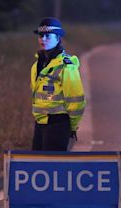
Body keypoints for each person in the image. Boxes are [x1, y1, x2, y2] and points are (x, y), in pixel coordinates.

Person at [30, 17, 86, 151]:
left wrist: (72, 126)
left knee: (52, 167)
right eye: (41, 35)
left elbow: (76, 100)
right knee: (36, 166)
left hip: (58, 125)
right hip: (40, 124)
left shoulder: (66, 66)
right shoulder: (37, 64)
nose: (43, 39)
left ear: (58, 38)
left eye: (48, 36)